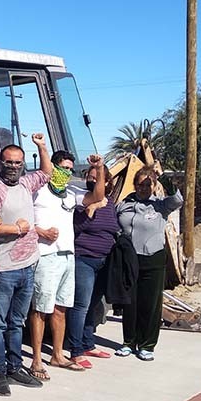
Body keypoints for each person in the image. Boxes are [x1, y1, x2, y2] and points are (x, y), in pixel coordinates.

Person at [0, 134, 52, 397]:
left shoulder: (26, 183)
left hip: (28, 265)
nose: (13, 166)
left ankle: (15, 367)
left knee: (17, 322)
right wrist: (13, 229)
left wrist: (41, 146)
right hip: (4, 267)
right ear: (1, 162)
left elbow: (47, 172)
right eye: (8, 162)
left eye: (17, 162)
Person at [115, 163, 183, 361]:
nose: (143, 188)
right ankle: (128, 342)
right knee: (130, 303)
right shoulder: (125, 204)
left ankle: (147, 345)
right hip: (129, 260)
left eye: (147, 184)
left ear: (153, 186)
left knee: (150, 304)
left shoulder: (161, 205)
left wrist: (164, 178)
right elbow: (113, 221)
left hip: (152, 259)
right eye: (140, 184)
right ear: (134, 185)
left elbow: (178, 198)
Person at [28, 150, 86, 379]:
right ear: (53, 167)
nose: (68, 173)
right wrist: (40, 231)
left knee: (61, 308)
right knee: (41, 308)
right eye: (63, 168)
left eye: (71, 169)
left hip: (67, 256)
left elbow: (97, 196)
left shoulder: (70, 194)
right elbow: (21, 219)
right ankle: (36, 360)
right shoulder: (36, 191)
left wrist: (100, 169)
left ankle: (58, 355)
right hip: (46, 255)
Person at [66, 156, 120, 368]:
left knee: (94, 304)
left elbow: (112, 228)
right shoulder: (82, 202)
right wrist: (91, 210)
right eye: (90, 177)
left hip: (104, 261)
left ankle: (89, 342)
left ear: (107, 182)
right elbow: (75, 229)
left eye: (97, 178)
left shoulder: (111, 204)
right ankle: (76, 350)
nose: (92, 180)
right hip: (84, 260)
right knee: (81, 305)